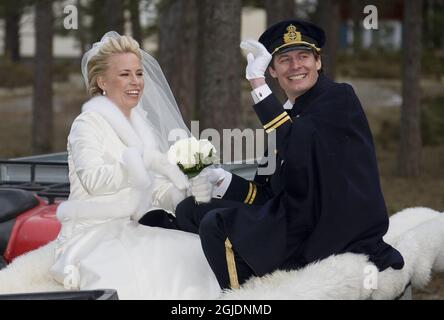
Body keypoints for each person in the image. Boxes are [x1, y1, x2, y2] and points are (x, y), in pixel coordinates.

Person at [175, 20, 405, 290]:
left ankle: (246, 299)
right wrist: (223, 181)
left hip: (327, 226)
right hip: (295, 215)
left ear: (318, 62)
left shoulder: (338, 98)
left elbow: (298, 145)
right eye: (284, 60)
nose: (296, 66)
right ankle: (204, 287)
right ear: (274, 69)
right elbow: (267, 193)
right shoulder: (285, 114)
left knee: (217, 226)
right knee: (191, 209)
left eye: (304, 56)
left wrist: (258, 85)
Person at [50, 32, 220, 299]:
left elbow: (156, 189)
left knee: (195, 252)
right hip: (92, 232)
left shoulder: (141, 125)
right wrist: (137, 163)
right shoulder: (88, 123)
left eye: (139, 74)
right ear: (102, 81)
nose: (136, 82)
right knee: (133, 272)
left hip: (132, 227)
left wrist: (186, 188)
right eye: (125, 74)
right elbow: (93, 181)